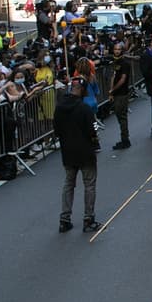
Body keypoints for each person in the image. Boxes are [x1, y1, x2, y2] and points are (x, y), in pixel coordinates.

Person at [53, 76, 100, 234]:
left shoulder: (59, 108)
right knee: (89, 185)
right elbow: (91, 131)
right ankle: (88, 218)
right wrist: (94, 141)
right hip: (85, 151)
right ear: (81, 89)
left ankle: (64, 219)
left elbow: (57, 130)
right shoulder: (84, 108)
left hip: (68, 151)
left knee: (68, 184)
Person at [110, 43, 133, 150]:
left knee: (122, 117)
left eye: (119, 49)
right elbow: (113, 77)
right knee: (120, 117)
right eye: (115, 49)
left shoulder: (125, 64)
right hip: (117, 93)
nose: (117, 51)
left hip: (122, 93)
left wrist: (113, 90)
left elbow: (122, 79)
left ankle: (125, 140)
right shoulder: (116, 62)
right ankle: (124, 139)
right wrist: (111, 92)